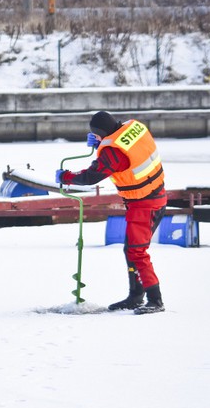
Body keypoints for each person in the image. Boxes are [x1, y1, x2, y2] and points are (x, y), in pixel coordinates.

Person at [55, 111, 167, 314]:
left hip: (145, 204)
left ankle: (155, 299)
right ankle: (136, 296)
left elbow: (91, 176)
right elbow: (126, 155)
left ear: (100, 133)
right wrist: (102, 143)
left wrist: (66, 176)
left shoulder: (112, 153)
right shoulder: (132, 128)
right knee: (131, 249)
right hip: (153, 196)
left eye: (96, 136)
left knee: (137, 252)